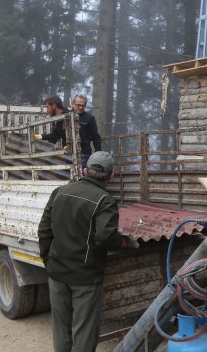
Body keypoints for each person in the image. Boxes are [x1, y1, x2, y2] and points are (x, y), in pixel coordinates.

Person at [38, 151, 135, 352]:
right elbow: (106, 236)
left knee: (61, 330)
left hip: (57, 274)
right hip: (85, 279)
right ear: (111, 176)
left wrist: (49, 262)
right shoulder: (105, 200)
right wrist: (125, 242)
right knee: (84, 334)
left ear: (85, 170)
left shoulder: (59, 192)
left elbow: (44, 231)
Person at [72, 94, 102, 168]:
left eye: (83, 105)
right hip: (68, 153)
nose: (81, 107)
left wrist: (98, 154)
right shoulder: (67, 116)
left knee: (83, 176)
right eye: (78, 105)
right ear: (73, 104)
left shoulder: (90, 118)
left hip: (84, 154)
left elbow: (95, 137)